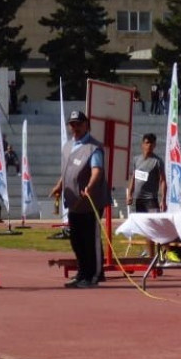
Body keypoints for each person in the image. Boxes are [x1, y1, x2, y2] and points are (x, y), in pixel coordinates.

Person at [50, 110, 109, 288]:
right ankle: (82, 272)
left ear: (86, 125)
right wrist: (59, 185)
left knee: (90, 239)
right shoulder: (68, 146)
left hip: (90, 201)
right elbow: (66, 171)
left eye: (78, 124)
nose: (75, 127)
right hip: (74, 202)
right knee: (76, 239)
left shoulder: (94, 147)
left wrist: (90, 186)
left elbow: (97, 170)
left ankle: (94, 275)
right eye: (72, 124)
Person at [125, 133, 166, 257]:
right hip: (139, 199)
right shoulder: (137, 160)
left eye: (151, 143)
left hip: (151, 199)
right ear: (142, 144)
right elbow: (133, 177)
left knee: (154, 227)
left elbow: (163, 180)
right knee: (144, 228)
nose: (149, 146)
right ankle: (149, 252)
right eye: (147, 143)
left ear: (154, 145)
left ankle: (156, 254)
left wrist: (163, 199)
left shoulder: (157, 161)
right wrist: (130, 193)